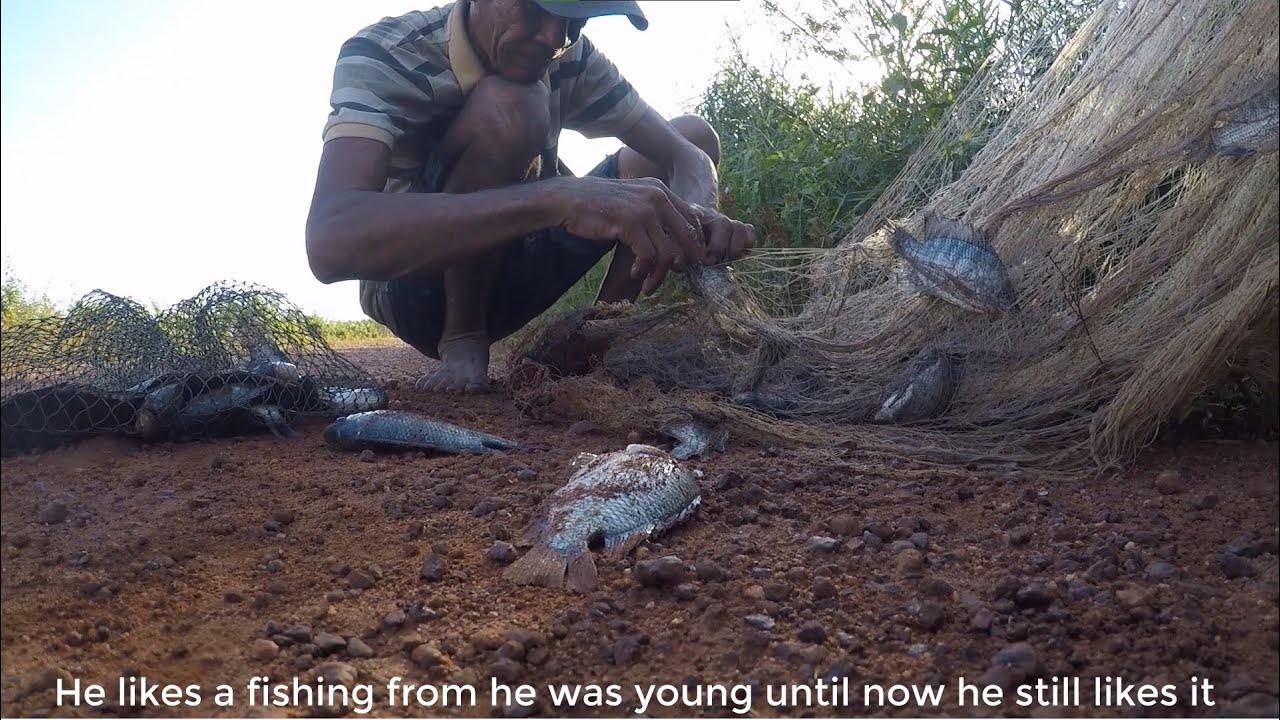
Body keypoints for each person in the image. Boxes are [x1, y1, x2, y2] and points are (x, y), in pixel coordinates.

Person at [305, 0, 754, 393]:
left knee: (693, 132)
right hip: (412, 292)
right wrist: (558, 198)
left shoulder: (568, 55)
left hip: (517, 265)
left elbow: (689, 155)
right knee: (513, 107)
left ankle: (591, 340)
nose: (553, 38)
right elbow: (330, 242)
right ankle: (463, 335)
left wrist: (697, 214)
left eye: (574, 21)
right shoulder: (387, 53)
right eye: (536, 8)